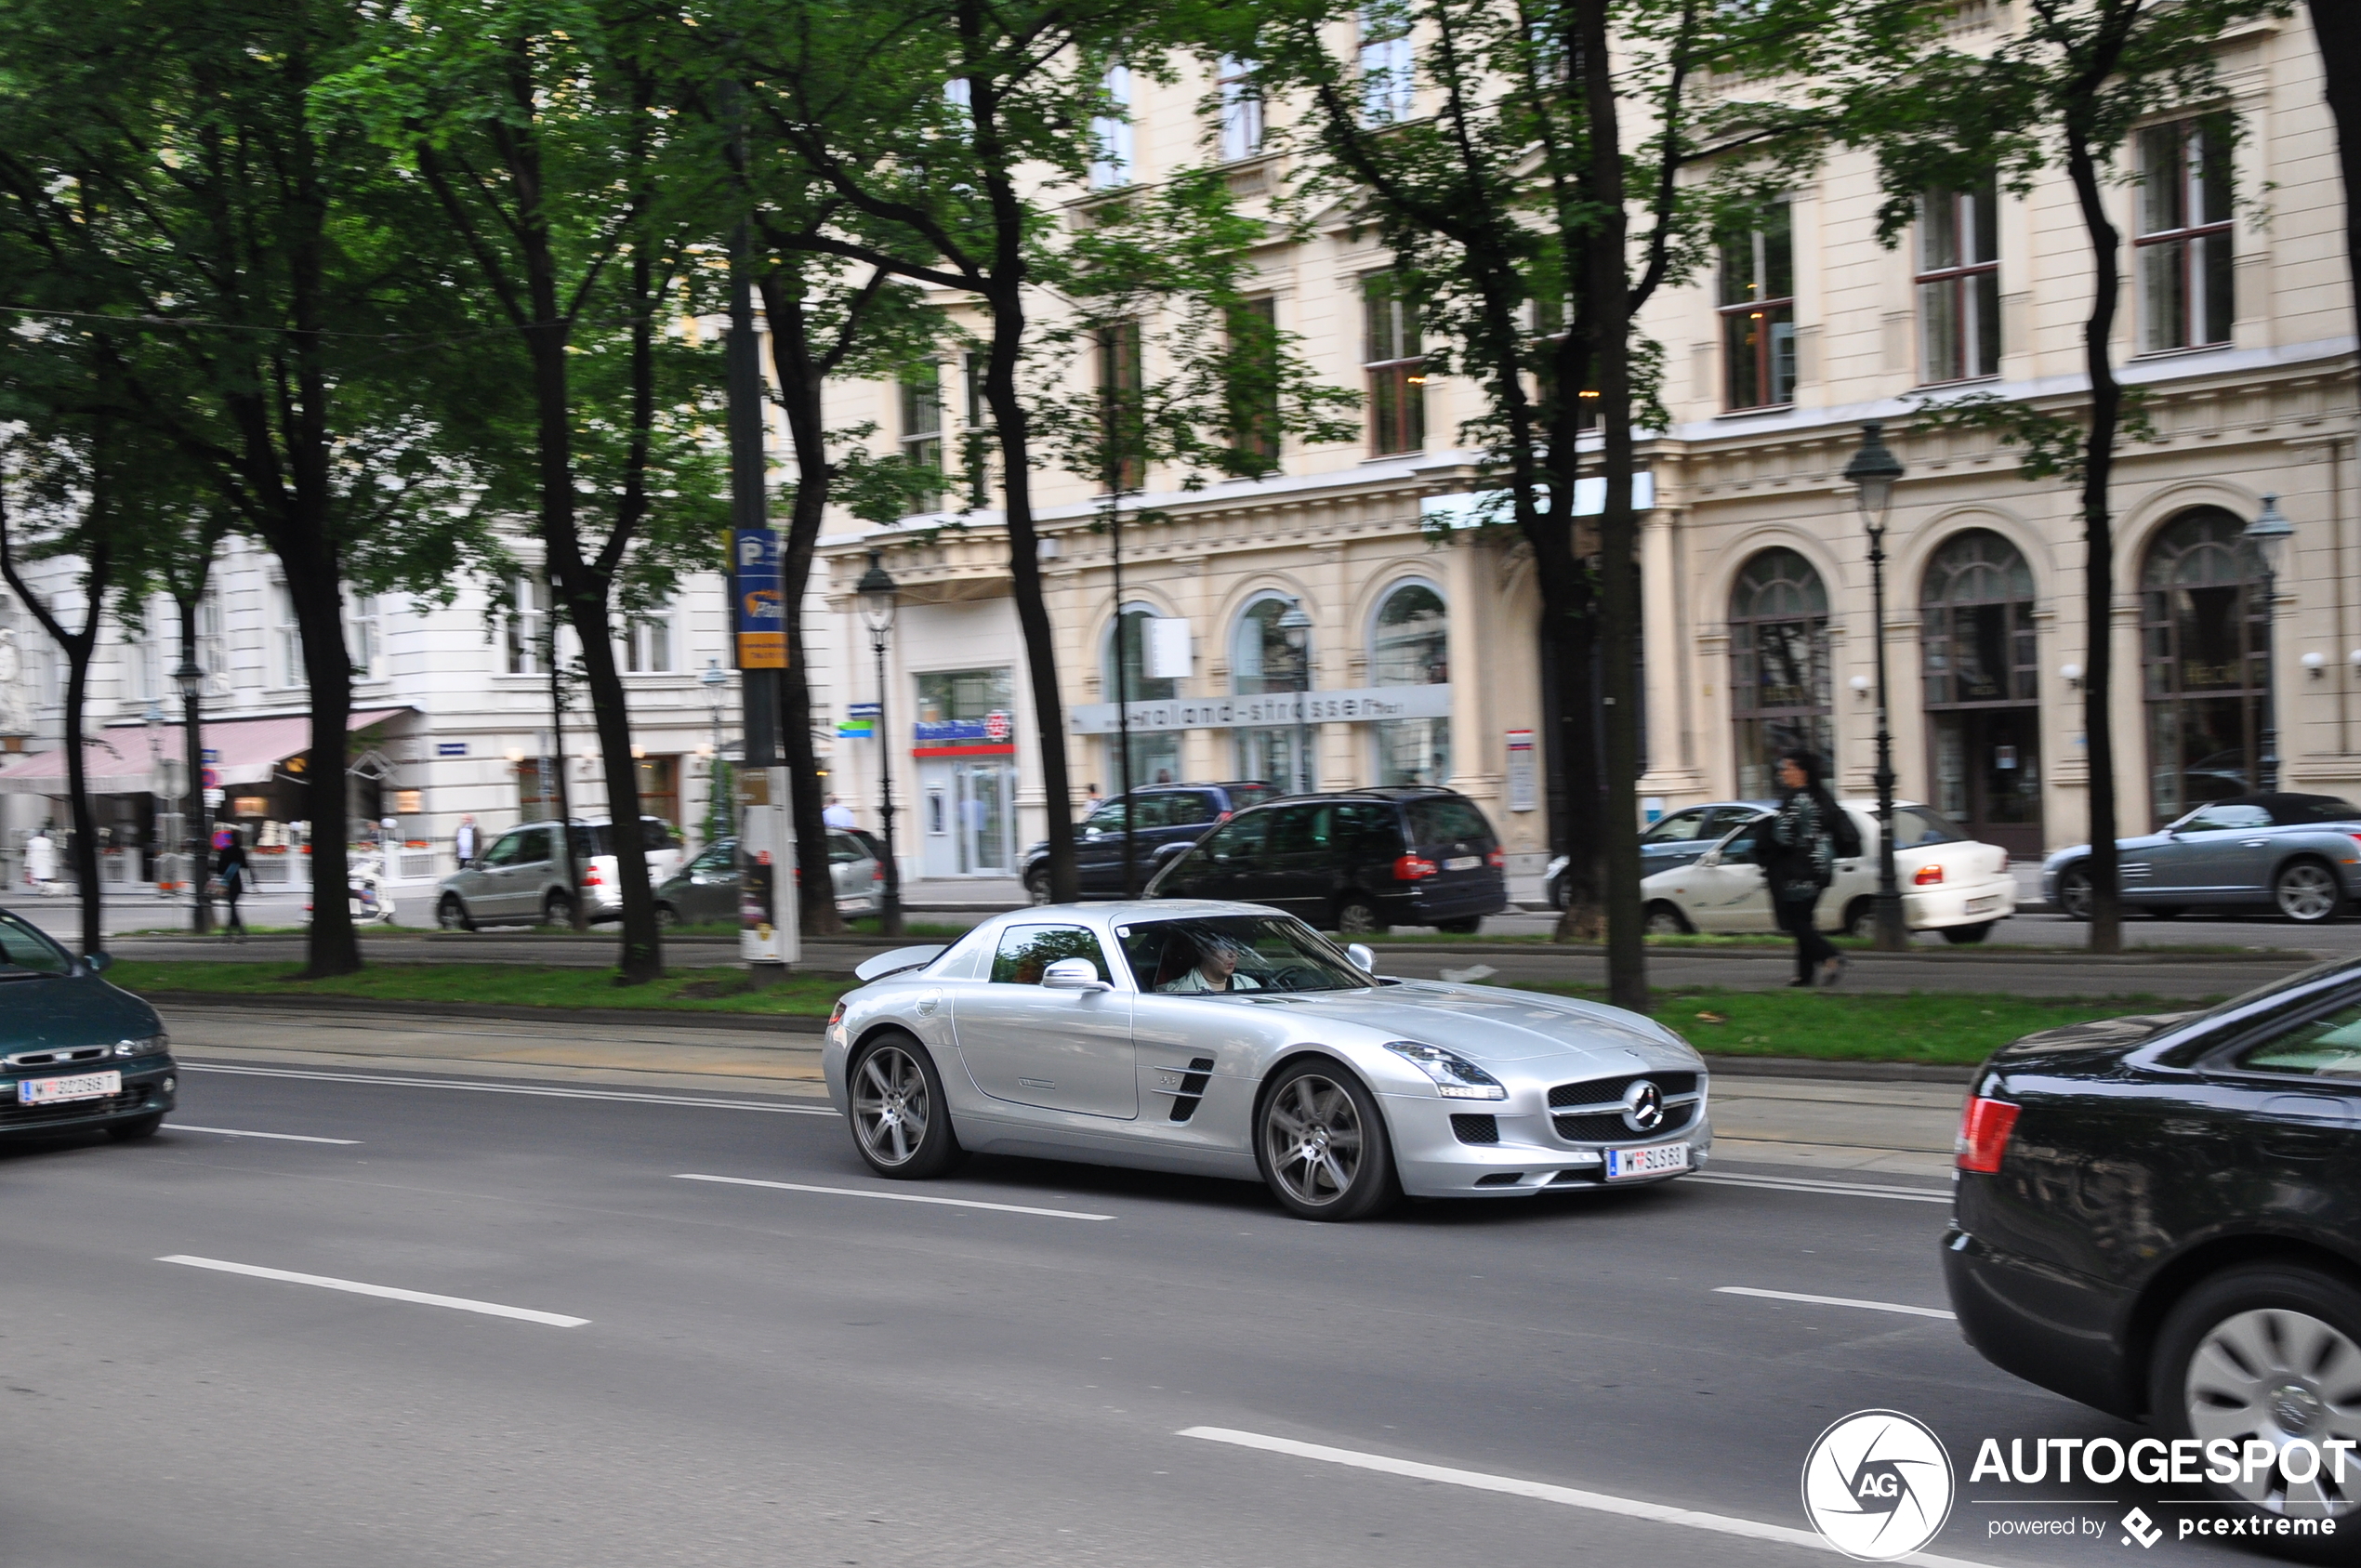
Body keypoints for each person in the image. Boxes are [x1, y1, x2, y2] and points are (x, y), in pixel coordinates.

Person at [1763, 750, 1843, 987]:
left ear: (1801, 772)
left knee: (1795, 921)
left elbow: (1783, 836)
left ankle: (1829, 955)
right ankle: (1804, 976)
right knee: (1804, 919)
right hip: (1821, 867)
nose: (1783, 773)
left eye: (1787, 768)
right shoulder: (1823, 796)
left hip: (1797, 870)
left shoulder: (1795, 799)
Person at [215, 832, 251, 942]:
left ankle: (236, 932)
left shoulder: (225, 851)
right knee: (232, 907)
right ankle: (234, 932)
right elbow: (245, 866)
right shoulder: (240, 851)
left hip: (227, 882)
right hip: (237, 882)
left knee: (232, 907)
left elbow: (220, 869)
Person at [25, 824, 58, 896]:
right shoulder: (49, 841)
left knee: (38, 876)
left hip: (36, 860)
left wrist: (27, 865)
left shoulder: (31, 842)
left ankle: (42, 889)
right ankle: (46, 889)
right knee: (46, 875)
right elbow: (53, 853)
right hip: (46, 860)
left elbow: (29, 853)